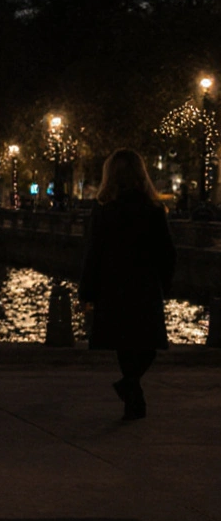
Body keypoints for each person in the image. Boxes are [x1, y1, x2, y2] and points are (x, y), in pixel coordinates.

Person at [78, 149, 175, 420]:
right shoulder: (153, 209)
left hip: (113, 284)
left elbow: (93, 252)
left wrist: (86, 290)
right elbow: (167, 252)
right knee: (148, 344)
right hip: (144, 284)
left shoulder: (104, 209)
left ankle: (131, 390)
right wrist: (164, 284)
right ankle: (131, 388)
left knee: (124, 342)